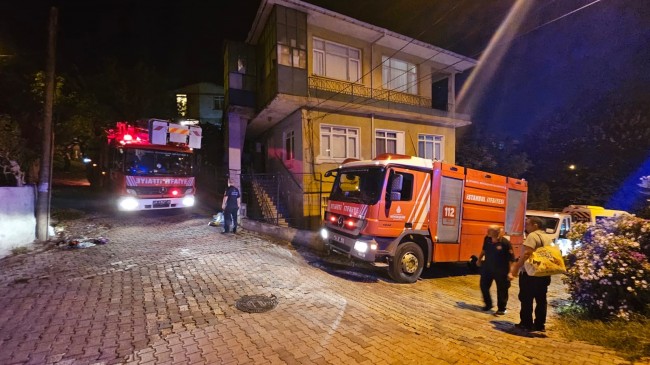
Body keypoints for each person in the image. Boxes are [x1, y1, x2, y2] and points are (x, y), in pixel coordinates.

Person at [508, 216, 553, 332]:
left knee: (526, 298)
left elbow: (526, 254)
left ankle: (526, 323)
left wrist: (516, 268)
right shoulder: (547, 237)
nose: (526, 226)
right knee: (541, 299)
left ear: (535, 225)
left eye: (528, 224)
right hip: (543, 272)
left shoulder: (532, 236)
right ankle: (539, 325)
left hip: (530, 273)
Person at [477, 225, 515, 315]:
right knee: (483, 286)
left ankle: (501, 308)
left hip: (501, 270)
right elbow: (484, 250)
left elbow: (511, 259)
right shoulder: (487, 239)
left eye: (490, 230)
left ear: (497, 232)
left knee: (502, 289)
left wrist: (510, 272)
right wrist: (479, 259)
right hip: (488, 268)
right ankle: (488, 304)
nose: (487, 232)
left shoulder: (505, 243)